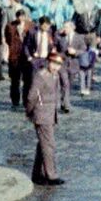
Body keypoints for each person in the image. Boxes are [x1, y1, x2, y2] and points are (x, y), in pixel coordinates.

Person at [26, 52, 66, 186]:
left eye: (59, 64)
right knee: (49, 145)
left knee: (42, 144)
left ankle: (37, 174)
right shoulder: (41, 76)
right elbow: (32, 96)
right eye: (54, 63)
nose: (56, 67)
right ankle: (51, 175)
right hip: (42, 114)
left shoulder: (54, 75)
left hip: (49, 114)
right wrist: (30, 112)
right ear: (48, 62)